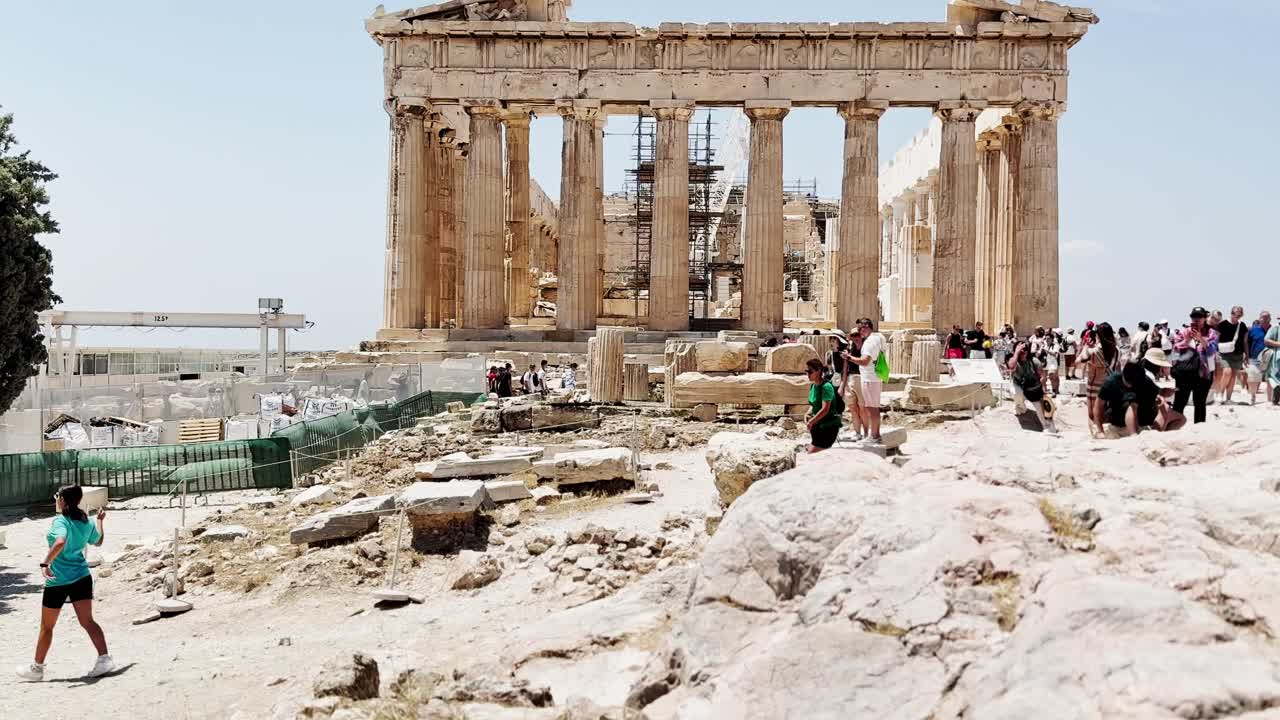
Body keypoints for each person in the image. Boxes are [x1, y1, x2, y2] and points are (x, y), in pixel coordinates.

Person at [16, 486, 114, 682]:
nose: (55, 499)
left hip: (58, 581)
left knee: (47, 626)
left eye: (57, 497)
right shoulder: (85, 520)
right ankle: (104, 659)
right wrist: (100, 521)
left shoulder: (60, 521)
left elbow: (60, 542)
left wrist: (45, 563)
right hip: (82, 577)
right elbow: (99, 541)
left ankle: (37, 668)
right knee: (87, 621)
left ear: (63, 500)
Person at [1172, 306, 1218, 424]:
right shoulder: (1183, 332)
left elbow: (1212, 351)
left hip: (1203, 374)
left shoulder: (1211, 333)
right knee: (1180, 402)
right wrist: (1187, 340)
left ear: (1205, 318)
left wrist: (1201, 339)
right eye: (1193, 317)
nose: (1196, 319)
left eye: (1199, 317)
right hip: (1184, 372)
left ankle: (1199, 430)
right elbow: (1176, 349)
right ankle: (1175, 427)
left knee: (1200, 403)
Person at [847, 318, 886, 443]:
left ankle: (874, 437)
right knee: (873, 408)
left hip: (870, 378)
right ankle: (876, 435)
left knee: (871, 409)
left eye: (860, 329)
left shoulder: (869, 342)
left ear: (866, 327)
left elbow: (865, 361)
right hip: (875, 377)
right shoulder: (878, 337)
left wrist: (849, 357)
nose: (859, 332)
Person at [1008, 340, 1057, 434]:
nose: (1023, 352)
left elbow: (1043, 375)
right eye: (1020, 350)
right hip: (1019, 387)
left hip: (1033, 390)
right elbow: (1011, 366)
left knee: (1041, 408)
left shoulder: (1034, 361)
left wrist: (1042, 386)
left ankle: (1046, 426)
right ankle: (1021, 407)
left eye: (1025, 349)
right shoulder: (1013, 360)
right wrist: (1016, 352)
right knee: (1016, 392)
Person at [1078, 321, 1122, 406]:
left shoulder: (1095, 351)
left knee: (1094, 416)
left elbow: (1080, 360)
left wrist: (1086, 347)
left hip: (1095, 388)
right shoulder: (1117, 349)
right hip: (1109, 385)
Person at [804, 358, 843, 453]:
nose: (808, 374)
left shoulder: (826, 387)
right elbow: (813, 404)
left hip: (827, 428)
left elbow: (825, 409)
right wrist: (807, 414)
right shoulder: (813, 386)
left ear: (818, 371)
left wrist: (811, 421)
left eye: (810, 371)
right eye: (806, 371)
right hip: (817, 428)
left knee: (811, 454)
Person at [1216, 306, 1249, 405]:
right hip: (1225, 353)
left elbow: (1245, 342)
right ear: (1232, 313)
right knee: (1227, 372)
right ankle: (1220, 393)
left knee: (1233, 376)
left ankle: (1228, 398)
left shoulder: (1242, 325)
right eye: (1237, 313)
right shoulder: (1222, 324)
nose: (1238, 315)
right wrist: (1215, 351)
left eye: (1240, 314)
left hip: (1238, 353)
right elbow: (1216, 339)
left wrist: (1247, 354)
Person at [1249, 311, 1273, 404]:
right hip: (1255, 357)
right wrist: (1246, 355)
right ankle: (1252, 396)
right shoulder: (1253, 330)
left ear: (1270, 319)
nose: (1265, 319)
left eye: (1267, 317)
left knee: (1269, 379)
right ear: (1259, 319)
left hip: (1270, 357)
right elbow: (1247, 342)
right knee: (1253, 378)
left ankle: (1269, 400)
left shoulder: (1274, 329)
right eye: (1263, 317)